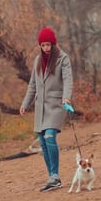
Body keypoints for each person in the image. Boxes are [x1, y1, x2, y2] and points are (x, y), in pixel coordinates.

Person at [19, 27, 73, 192]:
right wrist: (25, 104)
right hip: (40, 107)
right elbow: (32, 85)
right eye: (43, 45)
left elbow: (68, 79)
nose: (46, 48)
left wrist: (66, 97)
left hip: (57, 105)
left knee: (50, 136)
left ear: (53, 43)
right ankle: (51, 177)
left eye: (48, 44)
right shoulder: (37, 61)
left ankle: (55, 176)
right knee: (42, 141)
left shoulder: (63, 59)